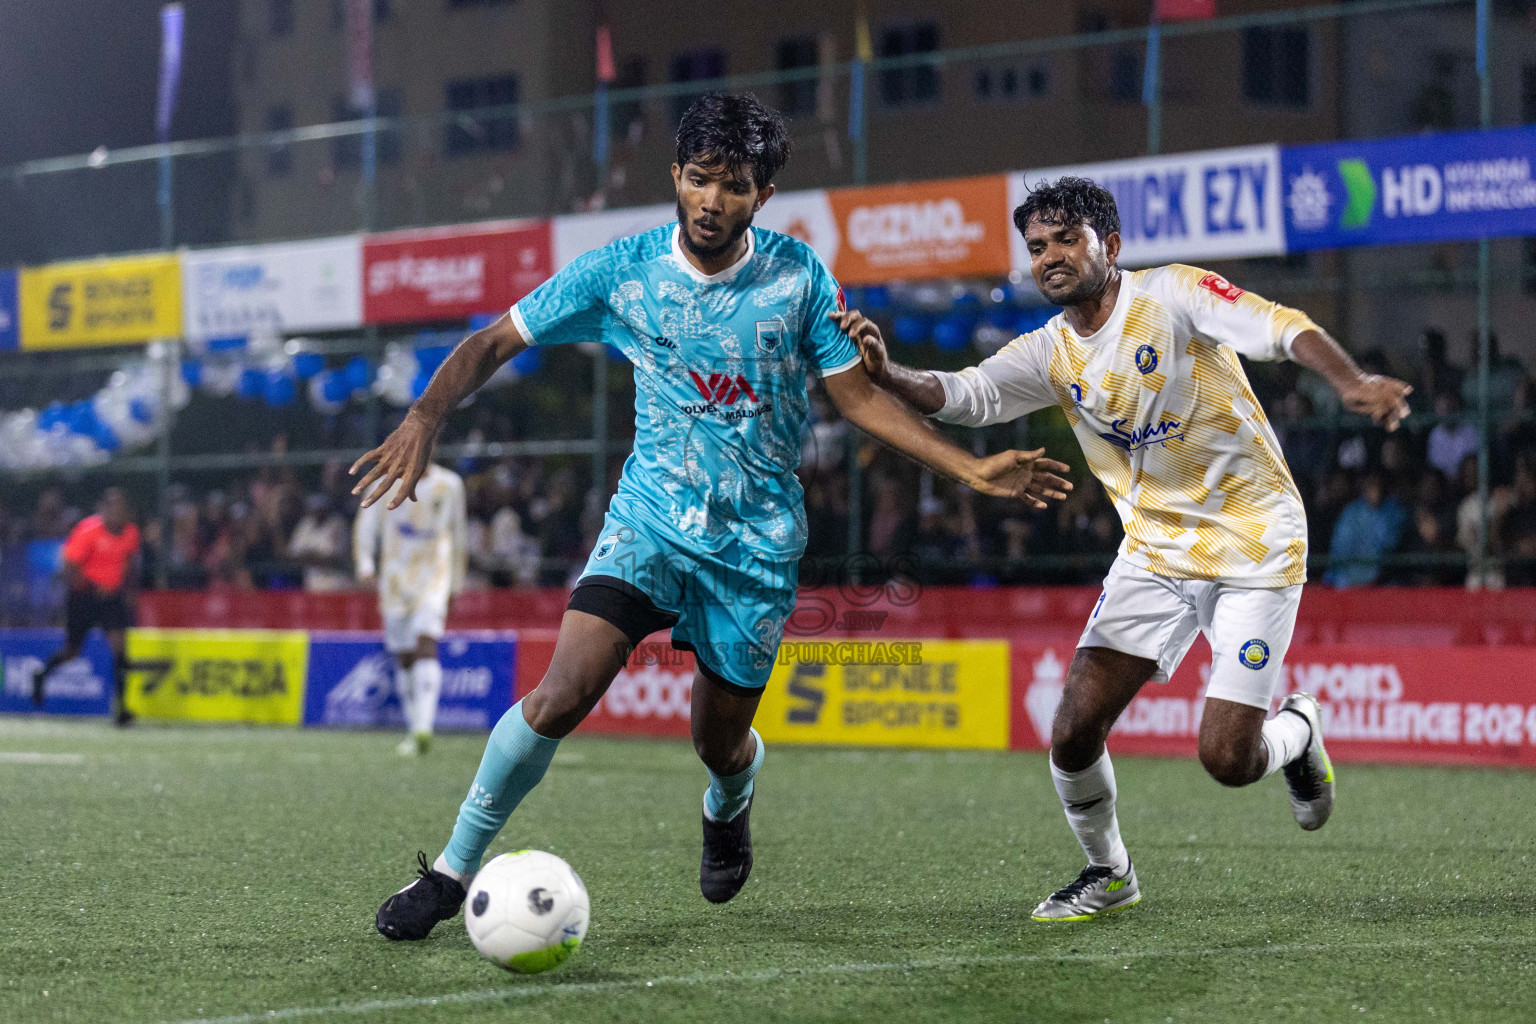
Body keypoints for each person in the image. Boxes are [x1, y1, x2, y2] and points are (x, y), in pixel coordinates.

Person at [354, 93, 1071, 940]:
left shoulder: (798, 278)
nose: (710, 201)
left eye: (732, 187)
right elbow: (490, 343)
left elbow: (860, 401)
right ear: (676, 177)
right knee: (558, 695)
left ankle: (728, 803)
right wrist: (424, 416)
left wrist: (971, 469)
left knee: (718, 742)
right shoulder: (621, 270)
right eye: (698, 180)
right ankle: (448, 874)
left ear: (761, 195)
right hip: (648, 525)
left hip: (755, 550)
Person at [841, 176, 1412, 922]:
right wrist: (888, 373)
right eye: (1037, 247)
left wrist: (1352, 379)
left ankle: (1299, 731)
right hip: (1155, 555)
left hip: (1256, 545)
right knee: (1073, 729)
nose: (1049, 257)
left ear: (1108, 246)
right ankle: (1109, 872)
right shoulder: (1049, 351)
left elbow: (1281, 326)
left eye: (1066, 239)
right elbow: (969, 395)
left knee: (1227, 760)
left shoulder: (1173, 295)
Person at [353, 462, 467, 756]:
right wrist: (365, 564)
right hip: (395, 575)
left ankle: (423, 729)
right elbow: (366, 522)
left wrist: (455, 584)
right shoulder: (385, 482)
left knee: (426, 641)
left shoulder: (450, 484)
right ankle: (414, 726)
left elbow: (459, 534)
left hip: (434, 573)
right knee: (403, 654)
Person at [34, 488, 140, 725]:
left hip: (111, 599)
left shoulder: (130, 533)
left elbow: (128, 563)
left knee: (120, 650)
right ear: (104, 509)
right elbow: (69, 565)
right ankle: (41, 675)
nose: (117, 512)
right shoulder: (88, 530)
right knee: (72, 651)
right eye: (113, 507)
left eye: (121, 507)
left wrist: (125, 589)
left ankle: (122, 708)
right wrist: (93, 586)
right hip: (84, 598)